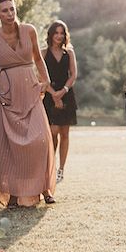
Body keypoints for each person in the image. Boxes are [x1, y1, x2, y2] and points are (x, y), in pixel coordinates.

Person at [0, 0, 56, 207]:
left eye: (12, 9)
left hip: (31, 90)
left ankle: (45, 188)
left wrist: (46, 82)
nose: (10, 13)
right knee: (9, 145)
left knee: (40, 140)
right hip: (7, 94)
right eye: (5, 10)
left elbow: (38, 60)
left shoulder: (29, 30)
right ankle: (12, 193)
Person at [43, 20, 78, 183]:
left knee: (64, 134)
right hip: (49, 97)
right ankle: (51, 165)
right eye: (56, 32)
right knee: (52, 133)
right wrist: (53, 94)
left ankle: (61, 170)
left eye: (62, 33)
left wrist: (63, 91)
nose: (59, 36)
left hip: (67, 95)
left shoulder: (69, 53)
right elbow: (39, 77)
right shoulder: (43, 53)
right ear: (51, 34)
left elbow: (73, 75)